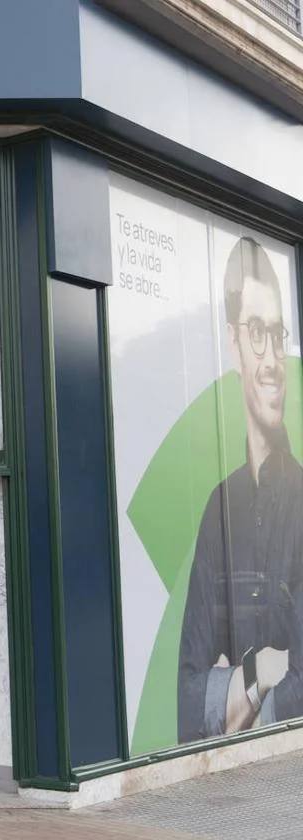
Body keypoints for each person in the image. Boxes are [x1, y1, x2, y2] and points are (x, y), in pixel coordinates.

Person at [178, 236, 303, 743]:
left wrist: (227, 687)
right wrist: (260, 673)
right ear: (233, 344)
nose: (271, 358)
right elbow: (187, 702)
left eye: (278, 334)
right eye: (256, 333)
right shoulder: (218, 507)